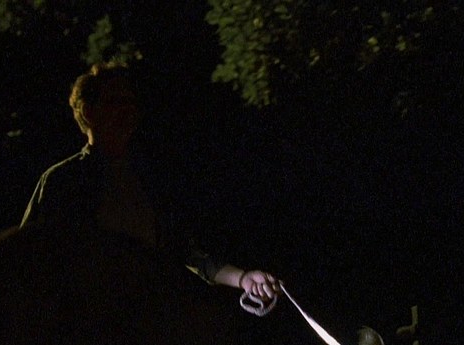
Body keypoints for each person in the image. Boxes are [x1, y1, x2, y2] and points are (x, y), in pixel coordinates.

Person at [20, 62, 279, 302]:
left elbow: (187, 251)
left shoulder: (150, 178)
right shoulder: (63, 181)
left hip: (146, 318)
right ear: (89, 112)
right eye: (115, 101)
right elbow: (28, 258)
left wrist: (243, 279)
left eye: (130, 102)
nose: (128, 110)